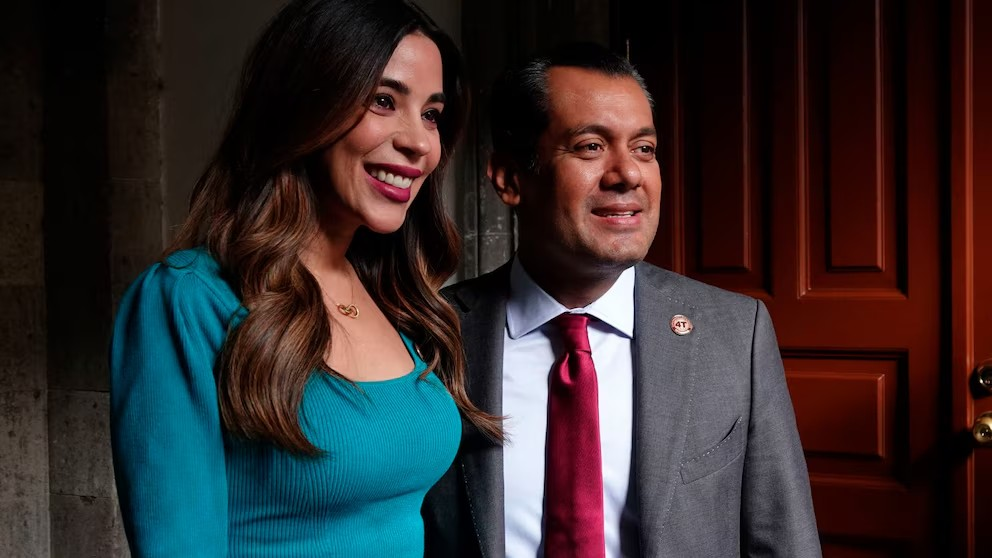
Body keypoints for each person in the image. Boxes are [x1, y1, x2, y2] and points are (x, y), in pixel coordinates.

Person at [109, 0, 501, 556]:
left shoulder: (398, 300)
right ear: (304, 107)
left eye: (432, 114)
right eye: (383, 101)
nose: (419, 142)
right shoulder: (189, 299)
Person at [422, 43, 821, 557]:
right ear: (510, 178)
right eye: (590, 146)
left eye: (644, 149)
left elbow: (785, 540)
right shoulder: (432, 334)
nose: (628, 174)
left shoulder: (735, 333)